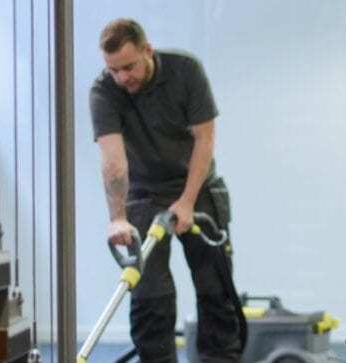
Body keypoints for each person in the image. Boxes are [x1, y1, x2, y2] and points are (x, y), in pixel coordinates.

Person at [90, 18, 244, 363]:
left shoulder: (185, 71)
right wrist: (117, 218)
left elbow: (204, 140)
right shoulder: (104, 91)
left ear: (147, 50)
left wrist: (187, 202)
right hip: (144, 193)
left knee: (215, 290)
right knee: (149, 299)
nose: (121, 78)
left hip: (198, 187)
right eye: (113, 70)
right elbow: (113, 160)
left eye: (128, 67)